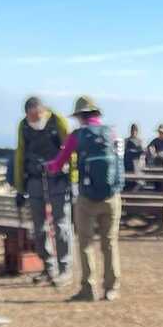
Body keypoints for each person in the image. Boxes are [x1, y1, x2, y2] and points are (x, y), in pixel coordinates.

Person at [48, 95, 122, 302]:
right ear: (96, 114)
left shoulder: (77, 136)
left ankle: (88, 288)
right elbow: (120, 162)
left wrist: (50, 166)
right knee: (110, 242)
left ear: (80, 116)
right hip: (112, 195)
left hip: (87, 197)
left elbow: (59, 163)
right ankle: (111, 288)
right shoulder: (112, 133)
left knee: (85, 242)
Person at [11, 96, 73, 285]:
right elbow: (20, 154)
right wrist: (20, 188)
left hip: (58, 180)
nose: (34, 119)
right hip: (34, 179)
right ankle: (48, 268)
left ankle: (65, 268)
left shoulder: (57, 120)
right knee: (39, 228)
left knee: (61, 225)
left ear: (43, 110)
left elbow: (70, 149)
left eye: (36, 115)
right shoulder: (23, 126)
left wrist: (73, 180)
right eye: (30, 116)